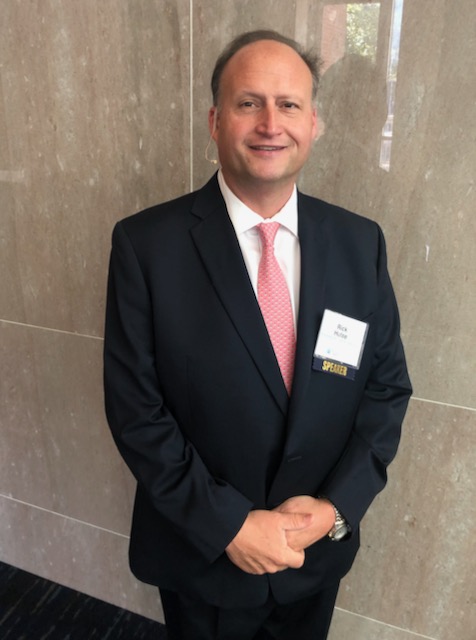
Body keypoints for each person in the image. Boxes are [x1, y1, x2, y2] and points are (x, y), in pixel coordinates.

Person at [103, 29, 412, 640]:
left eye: (289, 104)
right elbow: (137, 411)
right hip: (205, 560)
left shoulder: (360, 243)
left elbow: (385, 389)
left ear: (314, 123)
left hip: (314, 555)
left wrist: (336, 508)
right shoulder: (146, 246)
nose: (271, 124)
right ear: (215, 121)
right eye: (249, 103)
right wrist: (229, 526)